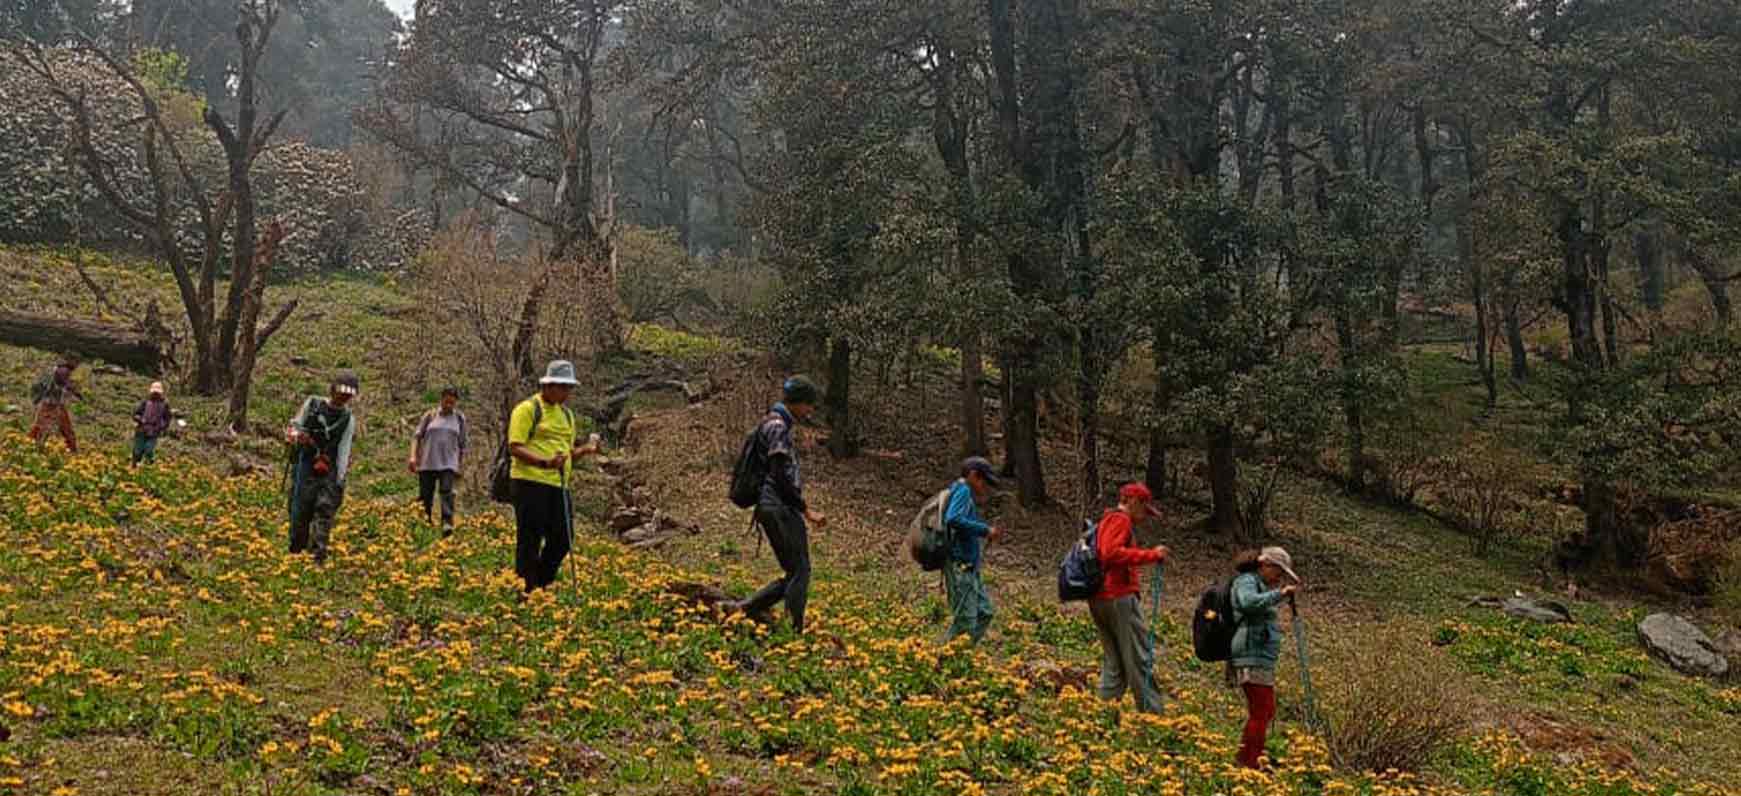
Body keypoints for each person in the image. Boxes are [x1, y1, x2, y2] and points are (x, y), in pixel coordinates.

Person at [727, 376, 827, 633]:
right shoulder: (778, 427)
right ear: (797, 403)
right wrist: (805, 510)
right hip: (778, 505)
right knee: (800, 570)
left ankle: (745, 608)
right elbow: (781, 474)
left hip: (771, 506)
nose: (810, 410)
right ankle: (793, 632)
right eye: (808, 404)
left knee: (795, 570)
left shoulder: (771, 422)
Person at [508, 361, 599, 593]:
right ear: (548, 386)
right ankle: (525, 590)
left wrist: (585, 450)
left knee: (563, 538)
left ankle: (539, 582)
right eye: (562, 387)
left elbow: (567, 452)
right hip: (529, 481)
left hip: (558, 483)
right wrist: (543, 462)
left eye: (569, 388)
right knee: (530, 538)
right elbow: (515, 446)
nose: (567, 393)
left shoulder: (567, 416)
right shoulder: (528, 409)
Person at [1088, 482, 1170, 713]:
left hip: (1100, 598)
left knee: (1115, 664)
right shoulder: (1120, 520)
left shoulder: (1106, 520)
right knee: (1139, 660)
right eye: (1144, 509)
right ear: (1133, 501)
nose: (1144, 517)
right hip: (1119, 597)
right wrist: (1152, 554)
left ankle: (1103, 719)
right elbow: (1110, 553)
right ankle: (1154, 720)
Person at [1229, 546, 1301, 769]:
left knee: (1265, 710)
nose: (1278, 578)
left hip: (1260, 654)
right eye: (1278, 572)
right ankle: (1249, 763)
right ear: (1265, 565)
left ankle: (1248, 757)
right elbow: (1249, 603)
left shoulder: (1258, 584)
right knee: (1262, 710)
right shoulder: (1246, 581)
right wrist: (1278, 594)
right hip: (1251, 653)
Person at [285, 371, 362, 564]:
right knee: (301, 510)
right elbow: (294, 427)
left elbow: (344, 450)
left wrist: (340, 479)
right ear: (333, 389)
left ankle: (318, 556)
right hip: (305, 463)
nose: (344, 397)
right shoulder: (312, 404)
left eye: (349, 394)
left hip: (329, 467)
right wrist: (297, 436)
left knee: (325, 510)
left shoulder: (348, 419)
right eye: (341, 392)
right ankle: (297, 552)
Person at [939, 457, 1005, 645]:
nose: (984, 486)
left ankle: (964, 656)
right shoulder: (963, 491)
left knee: (985, 612)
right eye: (983, 480)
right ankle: (944, 659)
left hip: (970, 567)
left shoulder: (962, 491)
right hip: (960, 566)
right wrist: (985, 530)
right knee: (965, 620)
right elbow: (953, 518)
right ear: (974, 475)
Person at [409, 386, 468, 535]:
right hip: (428, 462)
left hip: (449, 462)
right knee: (425, 495)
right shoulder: (430, 415)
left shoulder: (459, 419)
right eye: (446, 401)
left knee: (447, 492)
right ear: (441, 399)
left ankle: (447, 523)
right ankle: (424, 522)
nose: (449, 405)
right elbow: (417, 436)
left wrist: (461, 465)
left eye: (452, 402)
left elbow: (462, 444)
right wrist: (413, 457)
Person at [27, 355, 82, 453]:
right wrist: (75, 392)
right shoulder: (64, 370)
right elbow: (64, 384)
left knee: (61, 428)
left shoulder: (58, 369)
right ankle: (29, 445)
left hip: (54, 404)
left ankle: (28, 444)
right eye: (76, 362)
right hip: (52, 405)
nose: (77, 365)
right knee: (44, 427)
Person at [130, 381, 172, 465]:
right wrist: (140, 419)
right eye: (154, 392)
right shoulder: (145, 402)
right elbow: (135, 414)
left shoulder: (164, 404)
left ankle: (148, 465)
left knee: (148, 450)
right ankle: (134, 467)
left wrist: (162, 427)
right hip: (141, 429)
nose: (155, 394)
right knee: (137, 451)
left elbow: (168, 418)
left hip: (154, 431)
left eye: (157, 392)